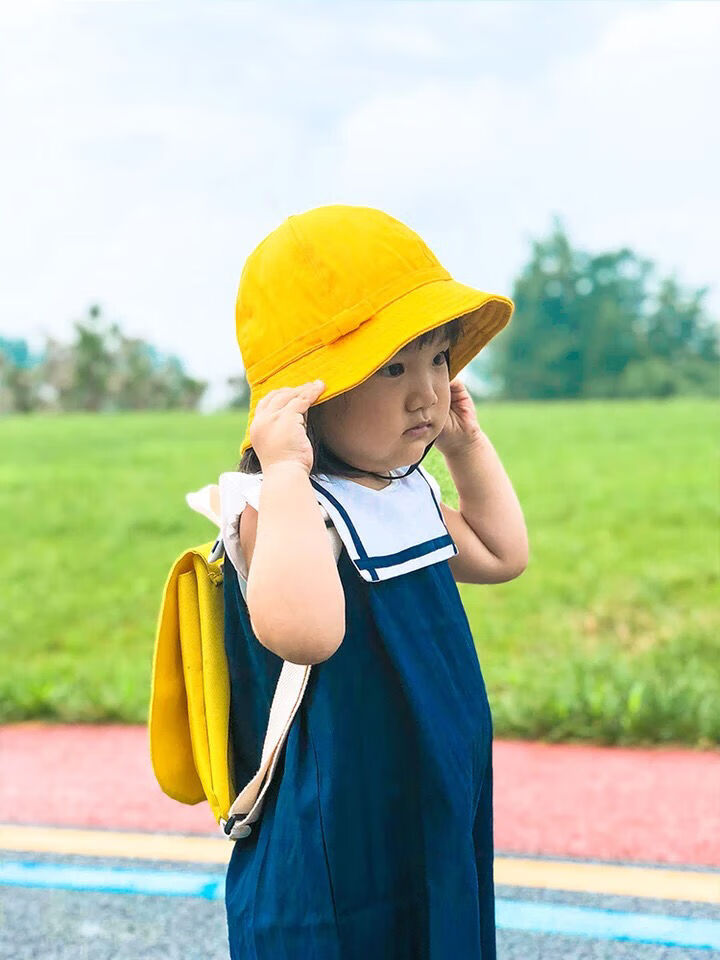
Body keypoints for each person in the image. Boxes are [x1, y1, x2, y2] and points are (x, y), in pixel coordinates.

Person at [217, 204, 528, 959]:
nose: (427, 393)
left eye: (437, 358)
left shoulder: (401, 491)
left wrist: (467, 447)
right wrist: (288, 474)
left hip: (432, 777)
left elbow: (499, 551)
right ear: (306, 400)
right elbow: (308, 632)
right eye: (392, 368)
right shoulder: (281, 508)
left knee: (438, 919)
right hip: (343, 803)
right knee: (347, 931)